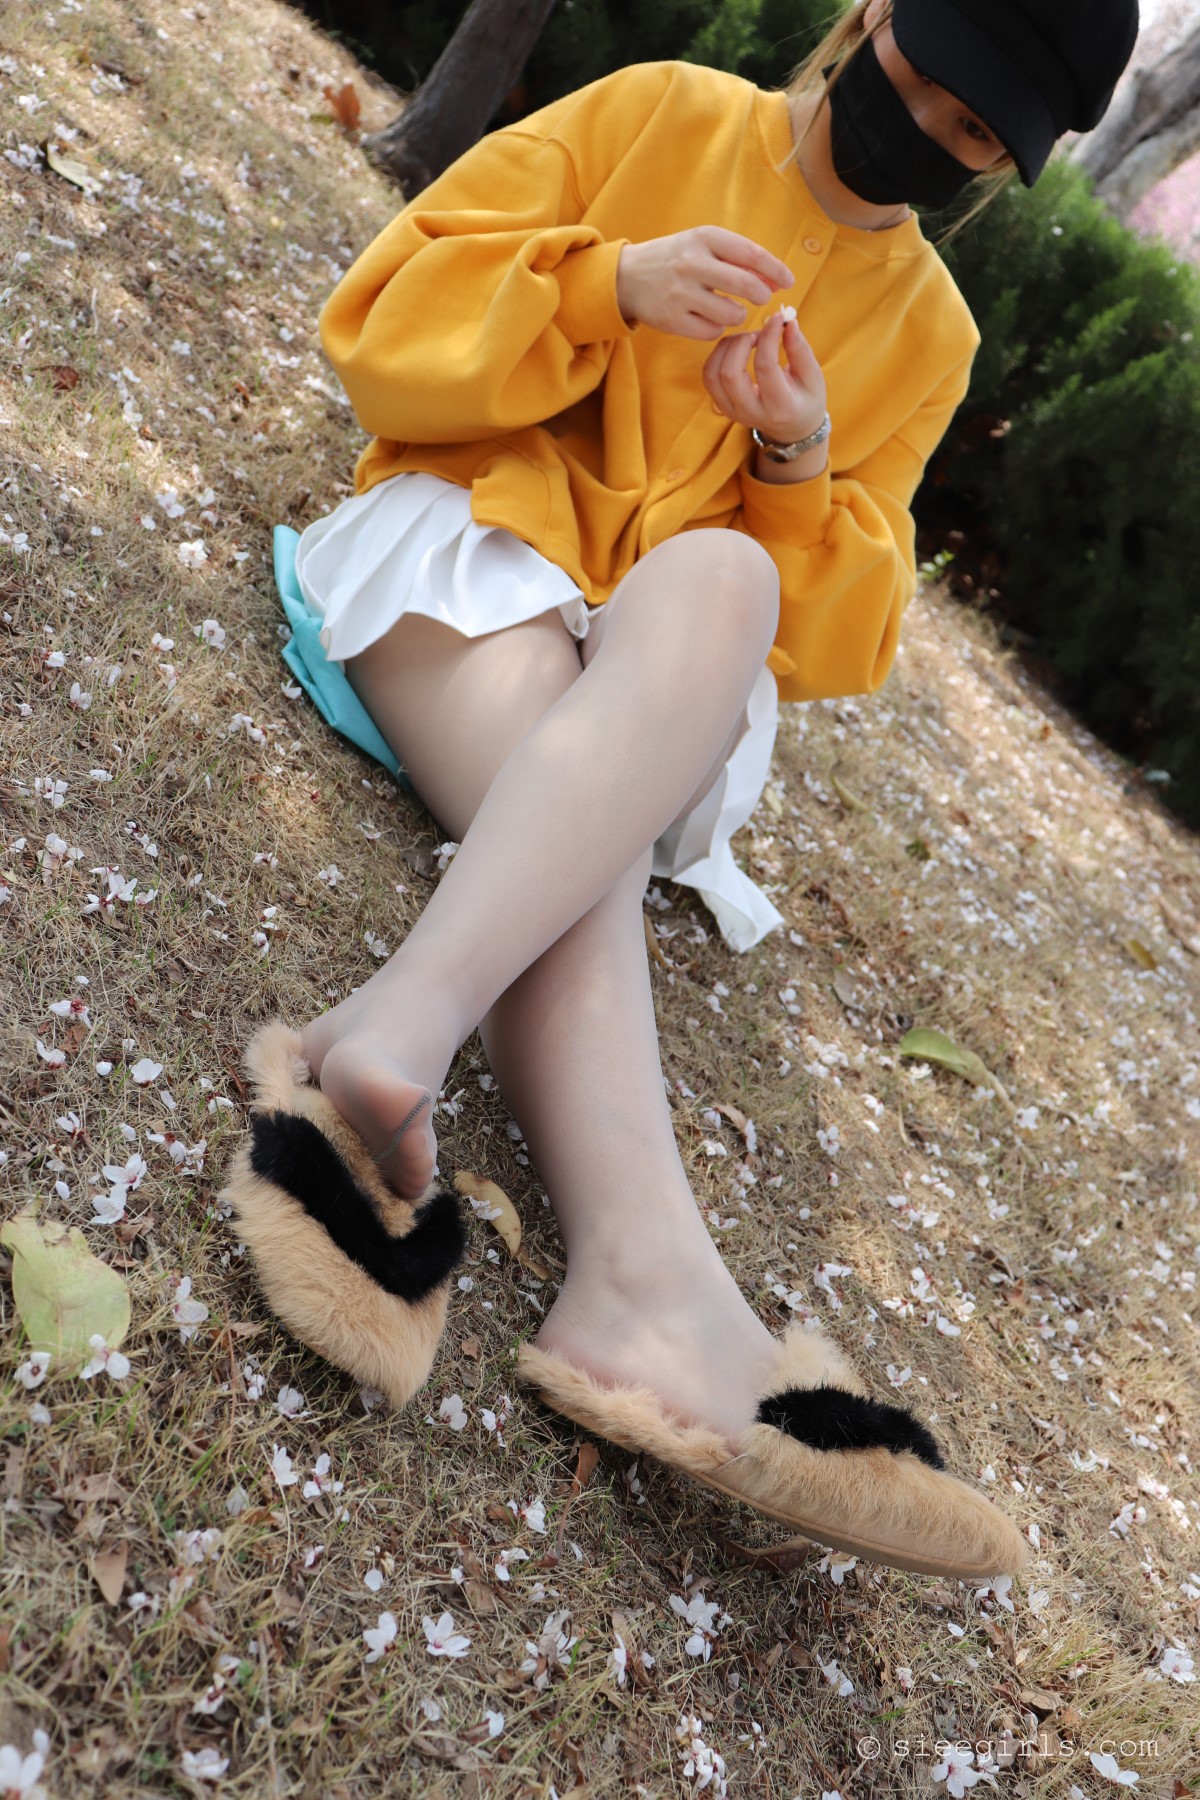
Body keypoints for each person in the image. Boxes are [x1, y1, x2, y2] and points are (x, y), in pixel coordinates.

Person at [238, 0, 1138, 1576]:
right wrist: (610, 284)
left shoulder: (930, 337)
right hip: (466, 564)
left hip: (658, 681)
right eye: (929, 82)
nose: (932, 133)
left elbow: (838, 633)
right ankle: (646, 1278)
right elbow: (383, 321)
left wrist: (797, 458)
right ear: (872, 16)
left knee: (727, 577)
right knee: (564, 742)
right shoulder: (663, 113)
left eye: (978, 135)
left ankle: (398, 1037)